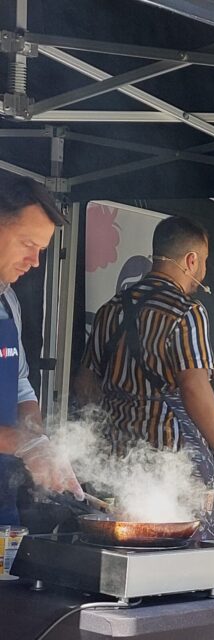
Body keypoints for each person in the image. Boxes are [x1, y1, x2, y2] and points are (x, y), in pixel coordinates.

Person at [76, 216, 214, 538]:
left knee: (128, 542)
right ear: (191, 260)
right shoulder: (186, 311)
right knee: (176, 548)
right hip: (173, 463)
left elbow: (85, 384)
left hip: (119, 460)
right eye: (204, 262)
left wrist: (102, 437)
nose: (203, 272)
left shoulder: (110, 309)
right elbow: (194, 387)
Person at [0, 178, 83, 524]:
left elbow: (19, 385)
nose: (35, 261)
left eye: (42, 250)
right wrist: (24, 444)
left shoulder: (7, 301)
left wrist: (40, 442)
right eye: (28, 244)